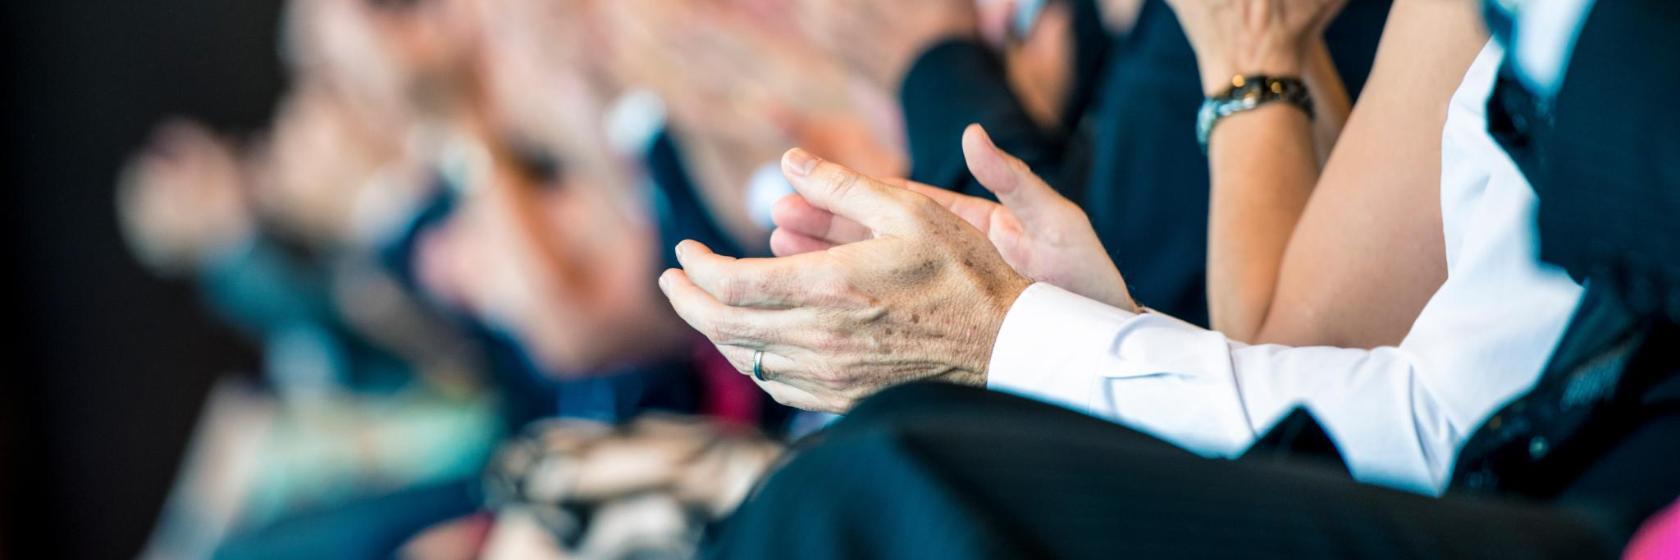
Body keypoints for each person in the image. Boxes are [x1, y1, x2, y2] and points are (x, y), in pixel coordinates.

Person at [693, 0, 1680, 556]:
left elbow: (1309, 350)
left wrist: (1011, 332)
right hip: (1491, 477)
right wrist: (1072, 319)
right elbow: (1389, 391)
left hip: (1576, 512)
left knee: (862, 491)